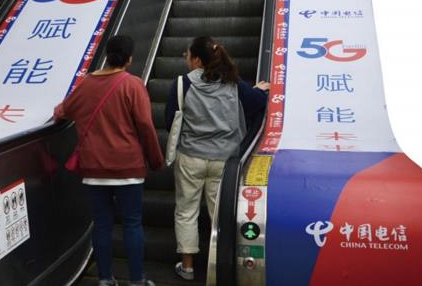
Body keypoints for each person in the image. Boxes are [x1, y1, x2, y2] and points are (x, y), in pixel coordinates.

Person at [54, 35, 163, 286]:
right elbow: (145, 126)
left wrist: (58, 110)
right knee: (132, 224)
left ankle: (105, 279)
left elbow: (63, 111)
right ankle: (137, 280)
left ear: (106, 55)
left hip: (93, 168)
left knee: (102, 225)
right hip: (128, 168)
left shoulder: (86, 84)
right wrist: (155, 160)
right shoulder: (132, 85)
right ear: (129, 59)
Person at [164, 37, 269, 281]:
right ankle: (221, 267)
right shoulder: (233, 82)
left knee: (186, 210)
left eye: (187, 55)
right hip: (224, 159)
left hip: (190, 157)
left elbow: (170, 121)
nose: (186, 58)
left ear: (197, 60)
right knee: (220, 214)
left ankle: (187, 267)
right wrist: (256, 91)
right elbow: (258, 103)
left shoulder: (182, 84)